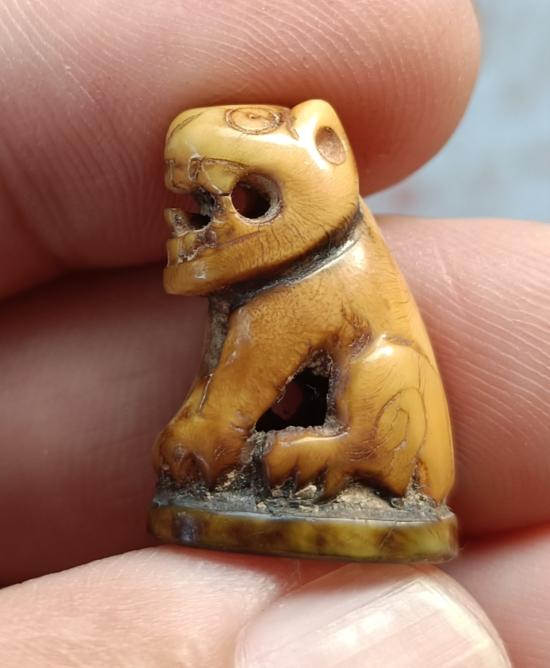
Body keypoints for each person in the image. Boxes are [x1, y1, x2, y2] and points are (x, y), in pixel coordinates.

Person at [0, 1, 548, 665]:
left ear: (327, 149)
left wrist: (212, 430)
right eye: (214, 205)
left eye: (250, 201)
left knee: (384, 366)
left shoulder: (317, 272)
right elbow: (237, 366)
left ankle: (362, 452)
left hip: (394, 442)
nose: (218, 215)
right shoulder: (273, 277)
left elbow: (249, 375)